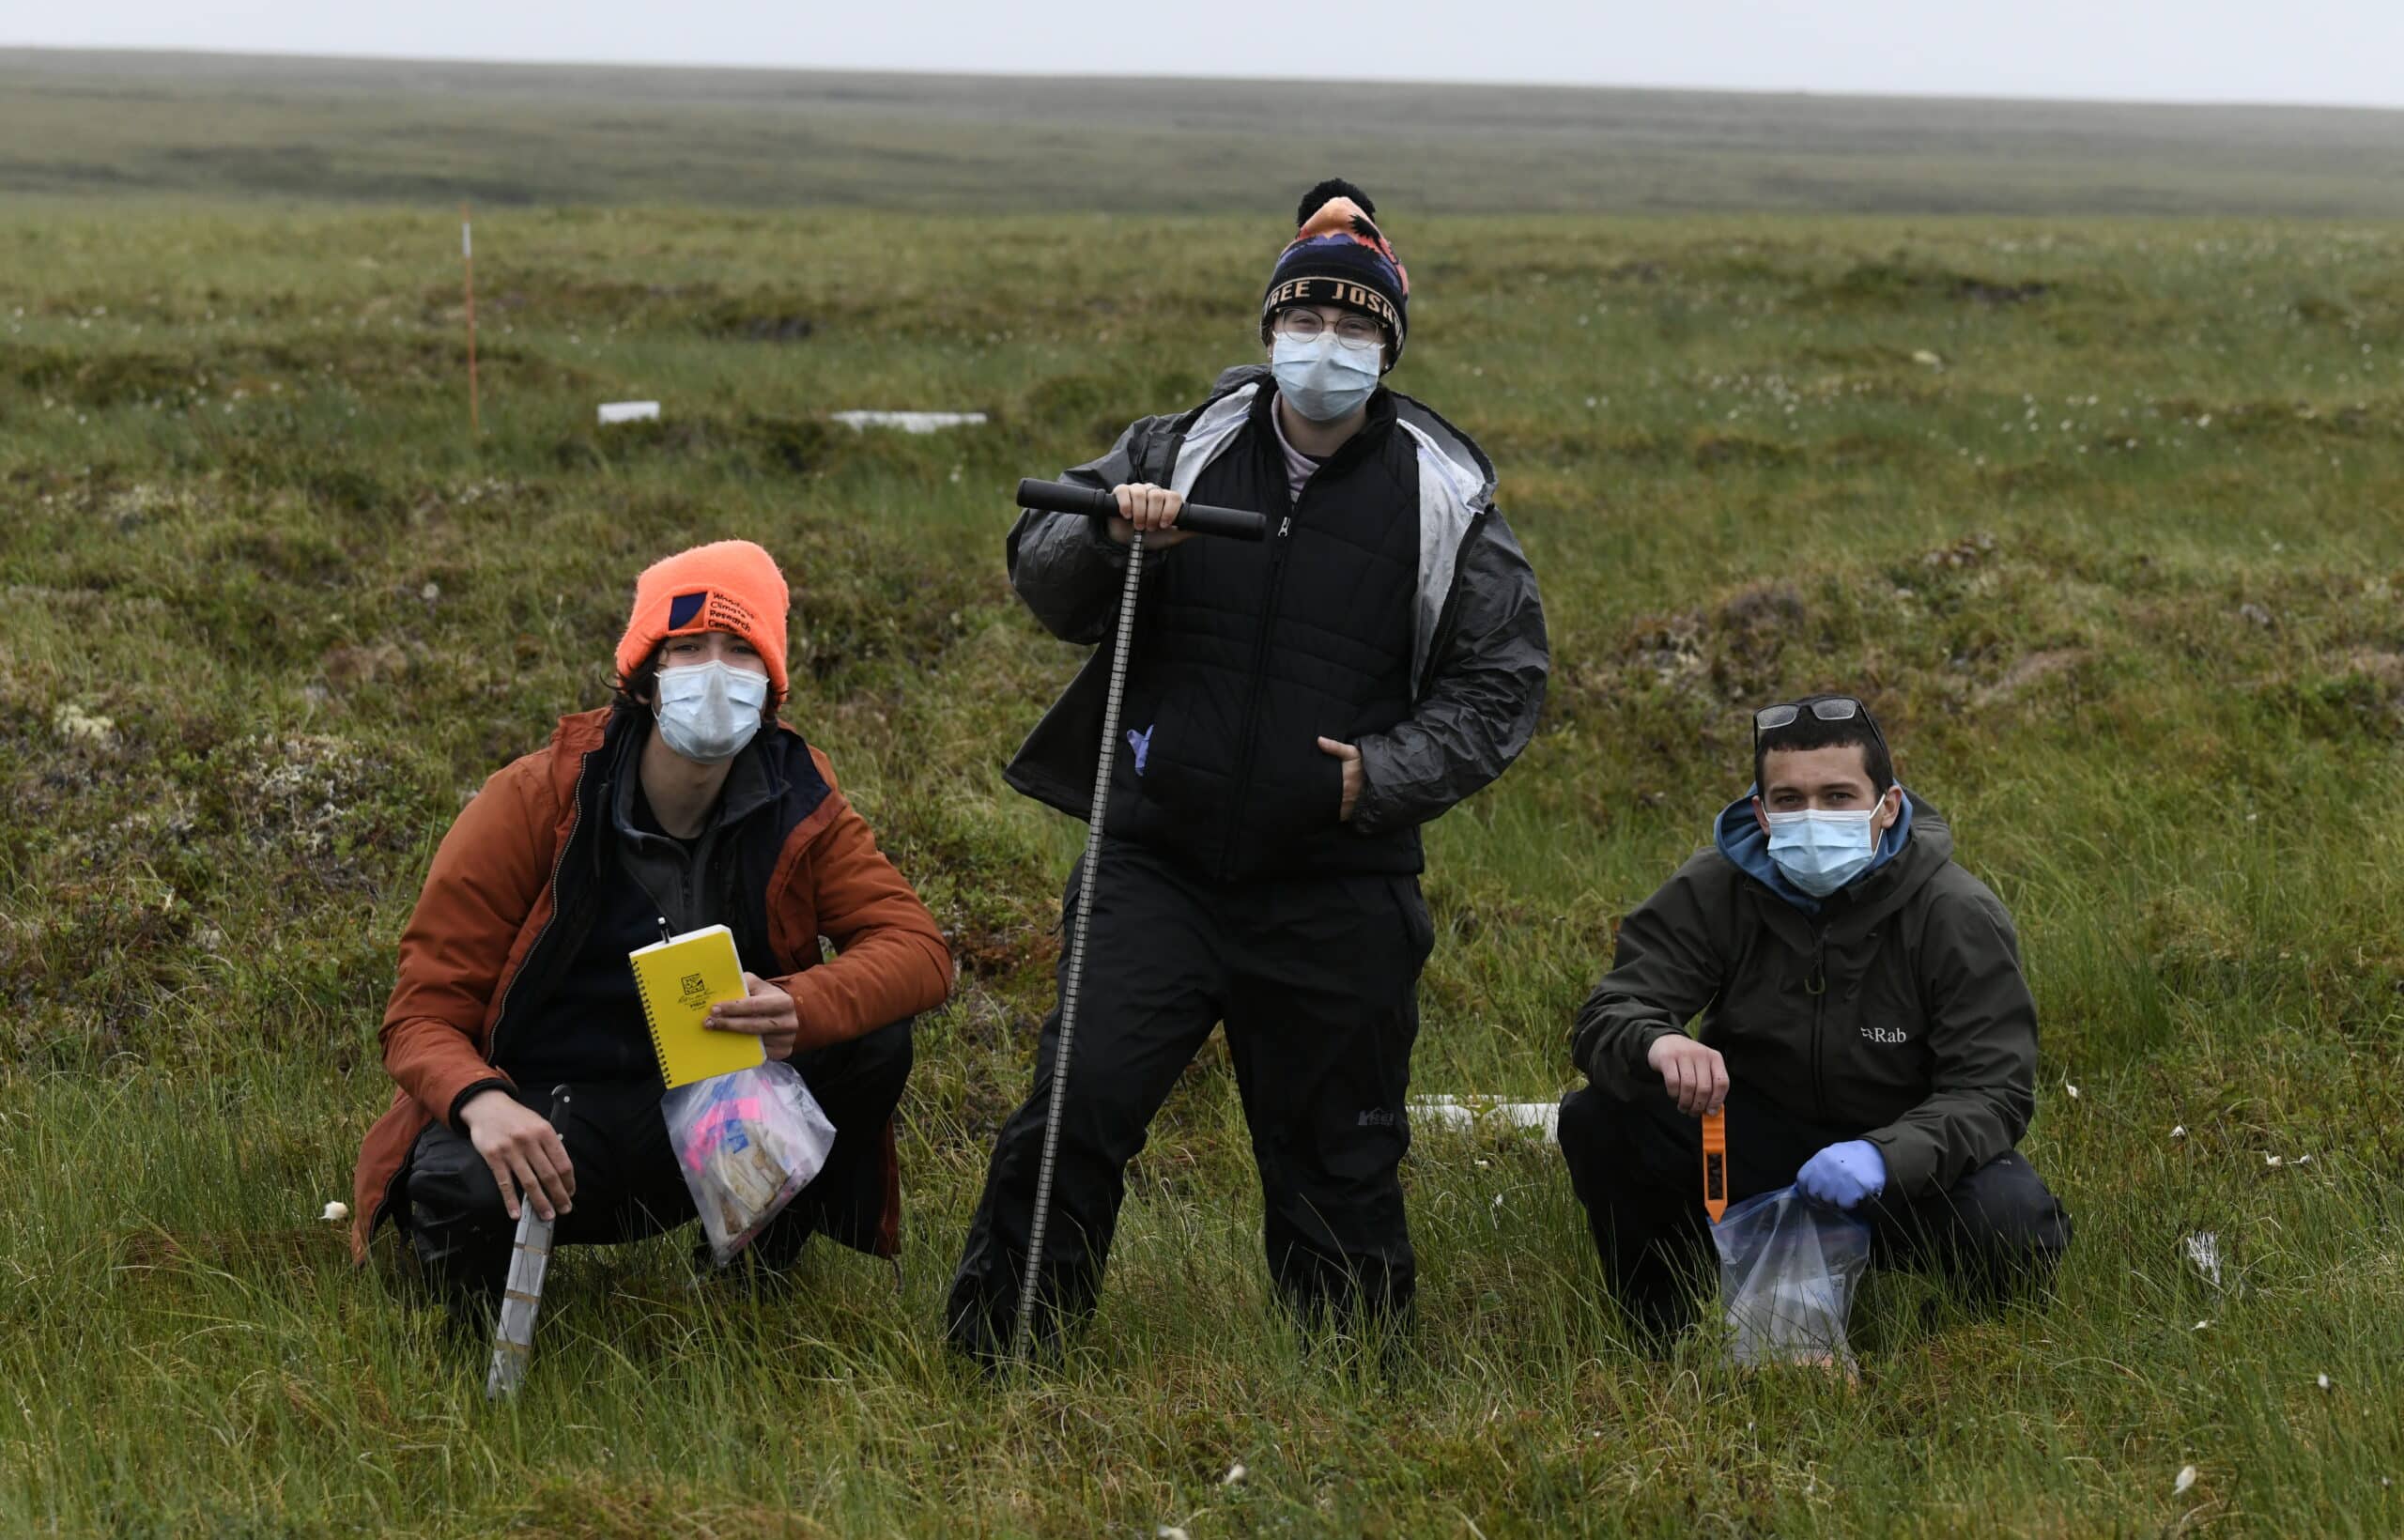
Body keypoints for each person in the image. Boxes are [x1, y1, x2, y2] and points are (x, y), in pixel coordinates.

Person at [948, 179, 1549, 1359]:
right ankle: (998, 1365)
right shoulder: (1182, 442)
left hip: (1338, 884)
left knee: (1339, 1160)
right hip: (1154, 865)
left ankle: (1348, 1397)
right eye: (1305, 321)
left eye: (1355, 327)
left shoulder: (1446, 493)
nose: (1326, 346)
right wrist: (1109, 532)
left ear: (1389, 344)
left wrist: (1374, 776)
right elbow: (1041, 573)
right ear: (1269, 328)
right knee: (1069, 1116)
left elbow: (1502, 687)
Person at [348, 540, 952, 1301]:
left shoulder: (799, 798)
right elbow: (419, 1017)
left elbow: (920, 950)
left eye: (740, 650)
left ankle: (752, 1272)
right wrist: (483, 1101)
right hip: (551, 1114)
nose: (714, 672)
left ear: (771, 684)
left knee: (870, 1038)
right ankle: (459, 1323)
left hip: (714, 1109)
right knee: (460, 1181)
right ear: (642, 678)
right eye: (688, 648)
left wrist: (801, 1007)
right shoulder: (533, 801)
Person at [1558, 694, 2071, 1340]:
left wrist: (1884, 1156)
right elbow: (1611, 1010)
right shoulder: (1714, 888)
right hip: (1749, 1148)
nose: (1812, 817)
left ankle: (1955, 1350)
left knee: (2015, 1217)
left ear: (1886, 805)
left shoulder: (1956, 913)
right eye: (1790, 800)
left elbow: (1994, 1094)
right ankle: (1665, 1331)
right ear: (1762, 814)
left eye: (1837, 797)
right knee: (1600, 1117)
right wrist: (1657, 1042)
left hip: (1896, 1164)